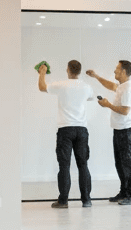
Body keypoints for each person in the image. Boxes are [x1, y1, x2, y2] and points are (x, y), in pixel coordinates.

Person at [38, 60, 94, 209]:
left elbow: (42, 87)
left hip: (65, 129)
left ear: (68, 70)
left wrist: (42, 72)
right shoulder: (87, 87)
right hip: (82, 130)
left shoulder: (62, 85)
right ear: (80, 71)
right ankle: (86, 200)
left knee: (64, 166)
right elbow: (90, 97)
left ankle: (63, 201)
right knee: (83, 165)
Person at [87, 61, 131, 205]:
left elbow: (125, 110)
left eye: (117, 69)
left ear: (123, 71)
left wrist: (108, 105)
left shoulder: (127, 88)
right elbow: (111, 86)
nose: (114, 71)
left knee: (128, 164)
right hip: (119, 129)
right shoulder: (122, 86)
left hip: (126, 131)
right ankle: (124, 192)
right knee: (120, 163)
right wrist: (96, 76)